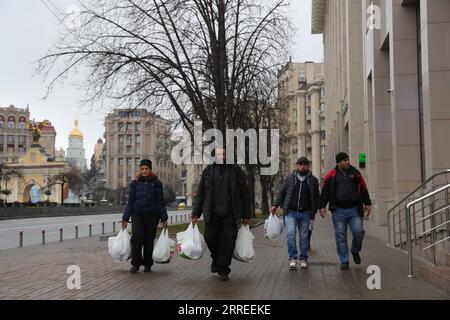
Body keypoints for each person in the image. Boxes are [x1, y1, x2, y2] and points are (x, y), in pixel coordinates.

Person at [191, 147, 251, 281]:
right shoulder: (208, 171)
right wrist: (196, 213)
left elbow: (244, 194)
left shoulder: (236, 171)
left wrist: (246, 215)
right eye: (219, 154)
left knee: (229, 241)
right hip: (212, 213)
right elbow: (201, 194)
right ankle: (216, 258)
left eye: (224, 153)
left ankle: (223, 269)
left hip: (230, 213)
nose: (221, 156)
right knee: (210, 238)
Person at [319, 152, 372, 270]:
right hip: (338, 211)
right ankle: (344, 260)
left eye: (348, 160)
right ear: (338, 163)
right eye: (344, 160)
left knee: (358, 231)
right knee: (340, 236)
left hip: (354, 210)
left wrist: (367, 203)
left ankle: (355, 250)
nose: (347, 162)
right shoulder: (331, 175)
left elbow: (363, 188)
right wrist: (322, 206)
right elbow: (325, 192)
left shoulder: (356, 173)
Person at [119, 159, 168, 273]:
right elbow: (130, 201)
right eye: (142, 169)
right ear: (140, 170)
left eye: (146, 169)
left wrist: (164, 218)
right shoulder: (135, 183)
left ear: (150, 170)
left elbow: (161, 201)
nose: (144, 171)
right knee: (137, 237)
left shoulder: (156, 183)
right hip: (137, 214)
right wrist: (125, 218)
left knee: (149, 240)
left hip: (152, 215)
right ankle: (136, 263)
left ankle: (147, 264)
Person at [271, 157, 320, 269]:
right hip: (290, 213)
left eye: (305, 164)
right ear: (297, 166)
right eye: (300, 164)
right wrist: (275, 205)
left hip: (305, 213)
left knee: (304, 237)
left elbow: (316, 197)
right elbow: (281, 193)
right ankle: (292, 258)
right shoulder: (289, 179)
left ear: (308, 166)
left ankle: (303, 258)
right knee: (290, 234)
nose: (303, 166)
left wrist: (315, 211)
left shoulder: (313, 180)